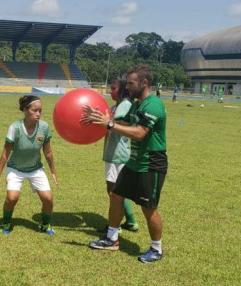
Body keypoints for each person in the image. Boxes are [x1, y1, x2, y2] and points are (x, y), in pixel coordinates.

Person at [82, 64, 168, 263]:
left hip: (151, 164)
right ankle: (112, 239)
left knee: (148, 207)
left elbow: (139, 133)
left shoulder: (153, 104)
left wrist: (110, 124)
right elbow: (124, 123)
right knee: (116, 195)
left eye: (131, 83)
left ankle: (156, 249)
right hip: (134, 161)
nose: (127, 87)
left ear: (144, 83)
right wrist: (98, 118)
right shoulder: (137, 104)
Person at [0, 95, 58, 235]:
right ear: (25, 110)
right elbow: (5, 153)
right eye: (35, 110)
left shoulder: (45, 127)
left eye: (40, 110)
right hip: (15, 169)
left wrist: (53, 172)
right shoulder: (15, 128)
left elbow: (48, 153)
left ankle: (45, 225)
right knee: (12, 198)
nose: (38, 114)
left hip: (36, 169)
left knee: (48, 199)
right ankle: (6, 222)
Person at [100, 79, 138, 232]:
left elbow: (118, 122)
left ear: (122, 90)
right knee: (118, 190)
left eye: (114, 88)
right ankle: (130, 222)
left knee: (114, 191)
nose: (111, 91)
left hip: (118, 154)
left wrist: (102, 120)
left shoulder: (125, 105)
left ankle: (115, 224)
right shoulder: (115, 106)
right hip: (112, 153)